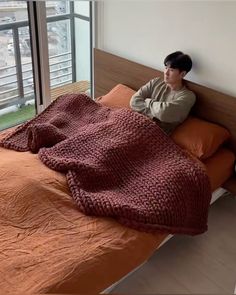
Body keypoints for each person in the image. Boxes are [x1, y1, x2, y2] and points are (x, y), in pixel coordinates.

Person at [130, 51, 196, 134]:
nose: (166, 73)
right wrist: (155, 115)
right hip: (133, 122)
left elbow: (163, 113)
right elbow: (134, 101)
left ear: (182, 74)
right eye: (165, 68)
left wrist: (147, 101)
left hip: (154, 134)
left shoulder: (188, 96)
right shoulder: (156, 82)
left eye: (171, 70)